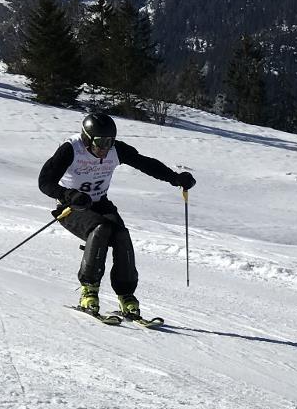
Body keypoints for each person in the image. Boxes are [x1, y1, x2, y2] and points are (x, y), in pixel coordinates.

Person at [38, 112, 196, 319]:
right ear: (86, 138)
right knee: (101, 229)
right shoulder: (71, 149)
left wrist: (175, 178)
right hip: (71, 208)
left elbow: (145, 163)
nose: (105, 148)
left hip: (100, 204)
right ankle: (89, 291)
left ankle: (126, 295)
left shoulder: (115, 150)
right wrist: (68, 194)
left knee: (121, 235)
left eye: (110, 142)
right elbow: (45, 182)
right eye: (100, 142)